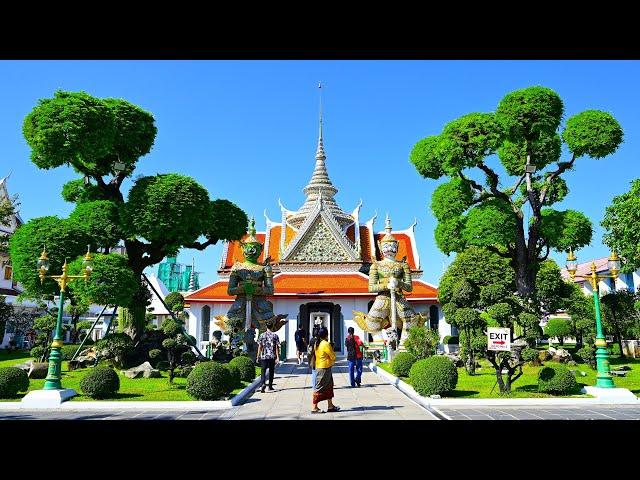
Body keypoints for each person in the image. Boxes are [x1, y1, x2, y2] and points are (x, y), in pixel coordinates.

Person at [311, 327, 339, 413]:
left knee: (329, 386)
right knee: (319, 387)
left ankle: (330, 406)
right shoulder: (325, 344)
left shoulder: (317, 343)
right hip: (323, 369)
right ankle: (314, 407)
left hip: (322, 367)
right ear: (326, 335)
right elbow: (333, 356)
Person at [256, 319, 280, 393]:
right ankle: (270, 386)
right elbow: (277, 347)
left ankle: (263, 383)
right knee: (271, 371)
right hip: (272, 356)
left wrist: (258, 356)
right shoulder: (275, 335)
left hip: (264, 356)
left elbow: (260, 346)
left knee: (263, 371)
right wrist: (278, 357)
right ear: (272, 327)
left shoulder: (262, 335)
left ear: (266, 326)